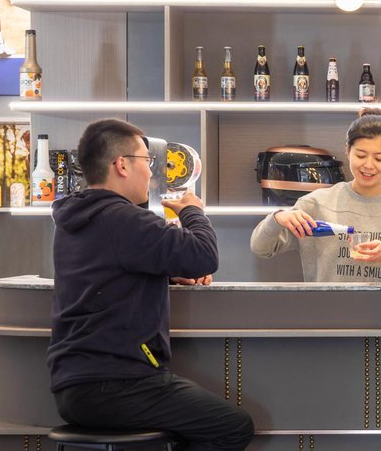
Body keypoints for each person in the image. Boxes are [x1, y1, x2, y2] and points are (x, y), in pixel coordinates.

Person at [46, 119, 253, 451]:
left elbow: (108, 272)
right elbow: (203, 256)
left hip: (74, 384)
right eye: (147, 161)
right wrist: (193, 212)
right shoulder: (125, 218)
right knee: (233, 427)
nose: (152, 172)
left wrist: (165, 273)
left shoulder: (76, 218)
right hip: (118, 383)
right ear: (122, 165)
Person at [251, 108, 381, 282]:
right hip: (328, 305)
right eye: (360, 156)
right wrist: (277, 219)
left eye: (379, 158)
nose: (368, 165)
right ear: (347, 151)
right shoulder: (316, 203)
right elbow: (261, 249)